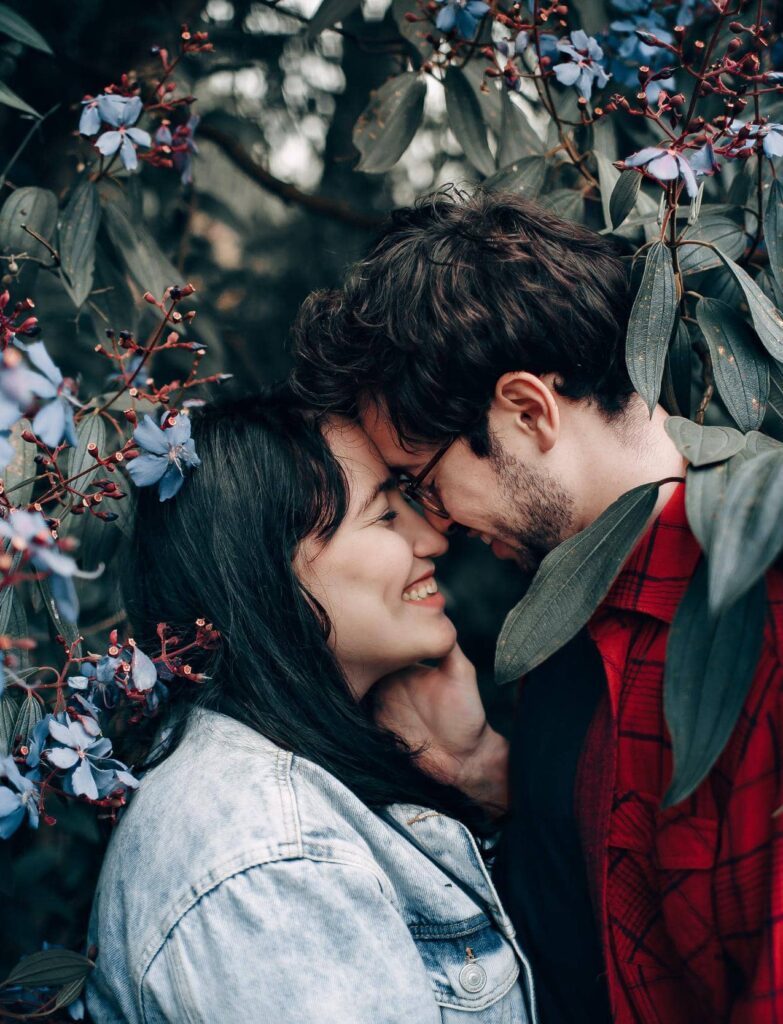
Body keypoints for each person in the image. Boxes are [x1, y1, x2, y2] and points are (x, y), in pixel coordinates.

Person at [290, 189, 783, 1024]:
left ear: (526, 410)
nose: (432, 526)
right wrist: (490, 773)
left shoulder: (754, 620)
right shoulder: (561, 625)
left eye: (421, 482)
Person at [86, 389, 535, 1024]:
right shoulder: (269, 862)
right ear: (269, 567)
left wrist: (478, 773)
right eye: (384, 515)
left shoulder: (295, 787)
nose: (433, 538)